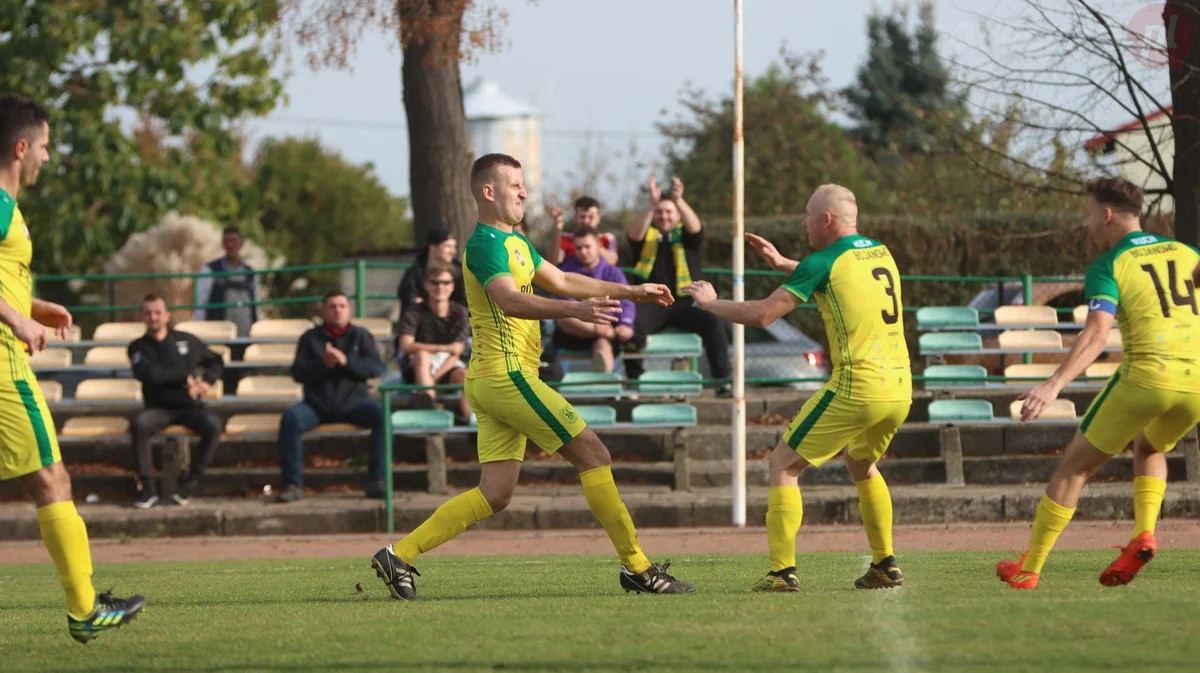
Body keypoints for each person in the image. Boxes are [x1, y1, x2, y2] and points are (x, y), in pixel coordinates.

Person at [370, 153, 694, 599]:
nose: (524, 191)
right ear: (489, 191)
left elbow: (562, 279)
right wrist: (572, 311)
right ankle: (638, 568)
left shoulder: (516, 241)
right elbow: (510, 300)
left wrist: (632, 289)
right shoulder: (484, 245)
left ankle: (398, 555)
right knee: (594, 454)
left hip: (492, 380)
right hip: (506, 376)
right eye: (515, 184)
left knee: (496, 493)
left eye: (524, 184)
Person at [683, 184, 911, 592]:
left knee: (783, 464)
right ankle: (884, 564)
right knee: (862, 465)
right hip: (899, 388)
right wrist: (785, 263)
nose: (803, 221)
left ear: (826, 219)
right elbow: (835, 277)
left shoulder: (823, 260)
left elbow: (762, 314)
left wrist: (710, 304)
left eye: (808, 214)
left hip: (857, 386)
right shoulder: (878, 251)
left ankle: (782, 572)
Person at [997, 178, 1200, 590]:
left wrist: (1052, 386)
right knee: (1151, 446)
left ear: (1106, 214)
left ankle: (1029, 569)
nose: (1087, 222)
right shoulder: (1187, 252)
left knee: (1074, 468)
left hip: (1147, 375)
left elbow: (1095, 335)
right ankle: (1143, 534)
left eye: (1089, 213)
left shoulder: (1109, 265)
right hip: (1195, 380)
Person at [0, 94, 145, 641]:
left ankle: (86, 605)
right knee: (51, 479)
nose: (47, 157)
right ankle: (85, 610)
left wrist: (33, 308)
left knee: (48, 478)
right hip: (3, 368)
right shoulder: (0, 204)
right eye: (44, 146)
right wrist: (17, 323)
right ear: (20, 148)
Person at [277, 292, 388, 503]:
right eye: (332, 306)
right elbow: (298, 372)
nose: (337, 310)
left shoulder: (361, 335)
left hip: (355, 404)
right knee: (291, 419)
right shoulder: (310, 338)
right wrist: (324, 365)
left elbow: (375, 368)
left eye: (342, 306)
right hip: (317, 406)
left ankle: (377, 481)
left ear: (349, 310)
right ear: (323, 311)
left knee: (382, 416)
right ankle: (291, 485)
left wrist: (346, 362)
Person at [626, 176, 731, 395]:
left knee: (713, 323)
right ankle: (634, 381)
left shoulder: (687, 237)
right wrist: (652, 204)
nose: (664, 216)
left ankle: (723, 381)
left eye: (669, 212)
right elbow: (633, 234)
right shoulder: (646, 236)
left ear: (678, 215)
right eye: (660, 212)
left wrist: (679, 199)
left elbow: (696, 228)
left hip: (685, 302)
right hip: (652, 302)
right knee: (630, 324)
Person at [128, 294, 225, 509]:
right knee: (139, 425)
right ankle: (148, 487)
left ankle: (189, 483)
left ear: (167, 316)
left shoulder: (187, 340)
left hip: (189, 407)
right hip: (158, 408)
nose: (153, 317)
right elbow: (151, 376)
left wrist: (206, 382)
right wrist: (184, 376)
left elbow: (217, 360)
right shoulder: (137, 347)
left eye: (158, 313)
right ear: (142, 316)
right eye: (148, 313)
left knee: (213, 425)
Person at [553, 226, 642, 374]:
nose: (583, 252)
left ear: (599, 246)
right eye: (578, 248)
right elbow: (564, 305)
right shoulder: (566, 271)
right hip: (575, 330)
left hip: (605, 330)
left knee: (603, 344)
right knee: (564, 317)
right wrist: (598, 328)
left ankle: (605, 383)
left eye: (587, 246)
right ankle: (607, 336)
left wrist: (625, 323)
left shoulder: (613, 272)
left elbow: (627, 301)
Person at [397, 262, 472, 423]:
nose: (440, 287)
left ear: (452, 287)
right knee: (422, 355)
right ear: (426, 286)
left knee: (465, 376)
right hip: (417, 367)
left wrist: (433, 381)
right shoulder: (414, 311)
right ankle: (428, 406)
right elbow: (406, 346)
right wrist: (443, 348)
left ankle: (470, 421)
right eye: (435, 282)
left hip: (448, 366)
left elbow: (456, 352)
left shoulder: (460, 312)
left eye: (446, 282)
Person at [195, 225, 259, 337]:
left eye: (234, 241)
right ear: (222, 244)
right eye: (227, 241)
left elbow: (256, 305)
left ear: (241, 243)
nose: (230, 245)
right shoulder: (209, 270)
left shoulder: (251, 273)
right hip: (219, 334)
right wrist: (200, 331)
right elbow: (201, 303)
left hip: (246, 334)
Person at [397, 227, 466, 310]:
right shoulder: (415, 272)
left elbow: (466, 301)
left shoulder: (460, 273)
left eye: (454, 247)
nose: (453, 252)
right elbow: (408, 296)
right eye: (448, 246)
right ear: (433, 247)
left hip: (453, 320)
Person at [550, 196, 619, 266]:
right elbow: (553, 264)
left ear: (598, 218)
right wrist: (557, 228)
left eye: (591, 217)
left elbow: (612, 262)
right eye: (582, 217)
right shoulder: (563, 238)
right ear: (575, 218)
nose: (586, 221)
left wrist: (594, 244)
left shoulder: (608, 238)